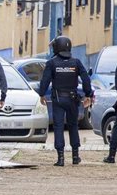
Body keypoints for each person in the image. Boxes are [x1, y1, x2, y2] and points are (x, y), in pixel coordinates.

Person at [38, 36, 92, 167]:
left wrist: (42, 94)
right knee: (73, 126)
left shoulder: (52, 63)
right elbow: (86, 79)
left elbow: (45, 80)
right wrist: (88, 94)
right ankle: (75, 156)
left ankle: (61, 158)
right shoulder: (76, 62)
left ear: (57, 48)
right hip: (73, 99)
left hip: (58, 99)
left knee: (58, 126)